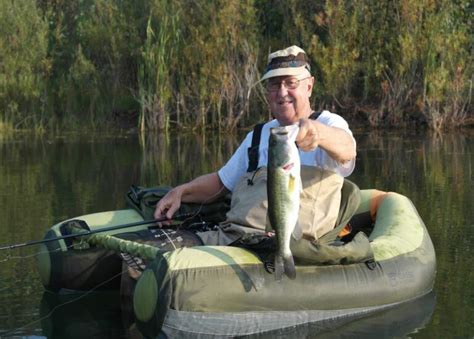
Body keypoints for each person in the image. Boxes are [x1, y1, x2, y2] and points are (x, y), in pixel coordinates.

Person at [154, 45, 366, 263]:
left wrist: (318, 133)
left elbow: (347, 149)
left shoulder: (328, 122)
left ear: (309, 86)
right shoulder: (258, 136)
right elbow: (221, 183)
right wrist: (181, 192)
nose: (282, 92)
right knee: (156, 252)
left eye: (290, 83)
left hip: (292, 244)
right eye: (274, 84)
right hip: (237, 238)